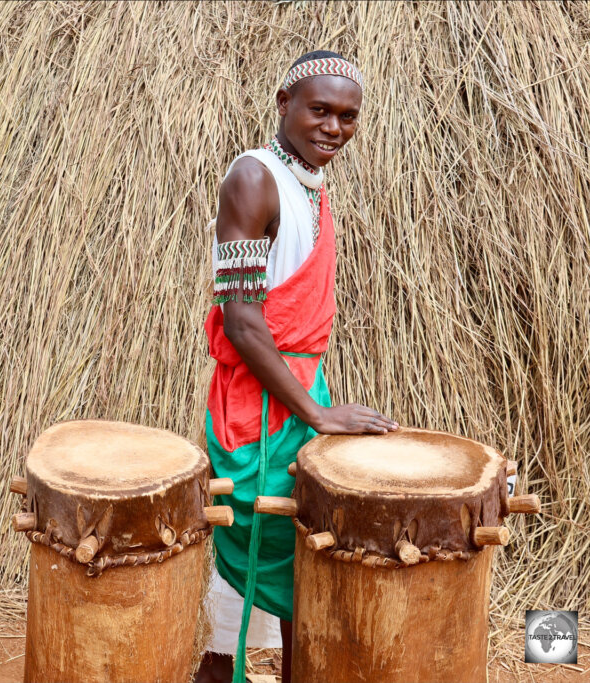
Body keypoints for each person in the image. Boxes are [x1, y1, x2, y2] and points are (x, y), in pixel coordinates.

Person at [196, 51, 399, 683]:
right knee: (277, 542)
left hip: (300, 388)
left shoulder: (309, 186)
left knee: (300, 545)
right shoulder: (254, 180)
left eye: (347, 116)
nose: (333, 127)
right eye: (319, 110)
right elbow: (243, 321)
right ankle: (221, 670)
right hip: (259, 404)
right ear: (285, 103)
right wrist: (314, 412)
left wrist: (315, 402)